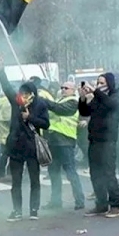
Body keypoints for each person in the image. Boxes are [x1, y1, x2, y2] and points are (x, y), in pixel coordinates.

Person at [0, 56, 50, 221]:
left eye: (27, 93)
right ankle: (17, 210)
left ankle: (34, 209)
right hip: (15, 147)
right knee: (16, 182)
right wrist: (0, 69)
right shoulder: (16, 103)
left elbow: (46, 124)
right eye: (22, 92)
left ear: (33, 94)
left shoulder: (40, 105)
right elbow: (6, 87)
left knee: (34, 180)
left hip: (32, 148)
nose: (24, 96)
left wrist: (30, 118)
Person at [79, 73, 119, 218]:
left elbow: (111, 105)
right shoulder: (98, 98)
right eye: (97, 83)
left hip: (108, 140)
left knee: (108, 173)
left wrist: (95, 92)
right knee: (95, 173)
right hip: (94, 140)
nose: (99, 85)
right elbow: (85, 111)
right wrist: (82, 98)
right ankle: (101, 204)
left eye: (101, 83)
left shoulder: (115, 96)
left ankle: (116, 205)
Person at [43, 81, 86, 210]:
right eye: (62, 88)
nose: (63, 90)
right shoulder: (59, 100)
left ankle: (79, 200)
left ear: (73, 90)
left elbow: (59, 110)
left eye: (66, 88)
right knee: (54, 173)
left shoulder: (74, 102)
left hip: (65, 141)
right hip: (54, 141)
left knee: (70, 172)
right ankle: (56, 201)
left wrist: (45, 101)